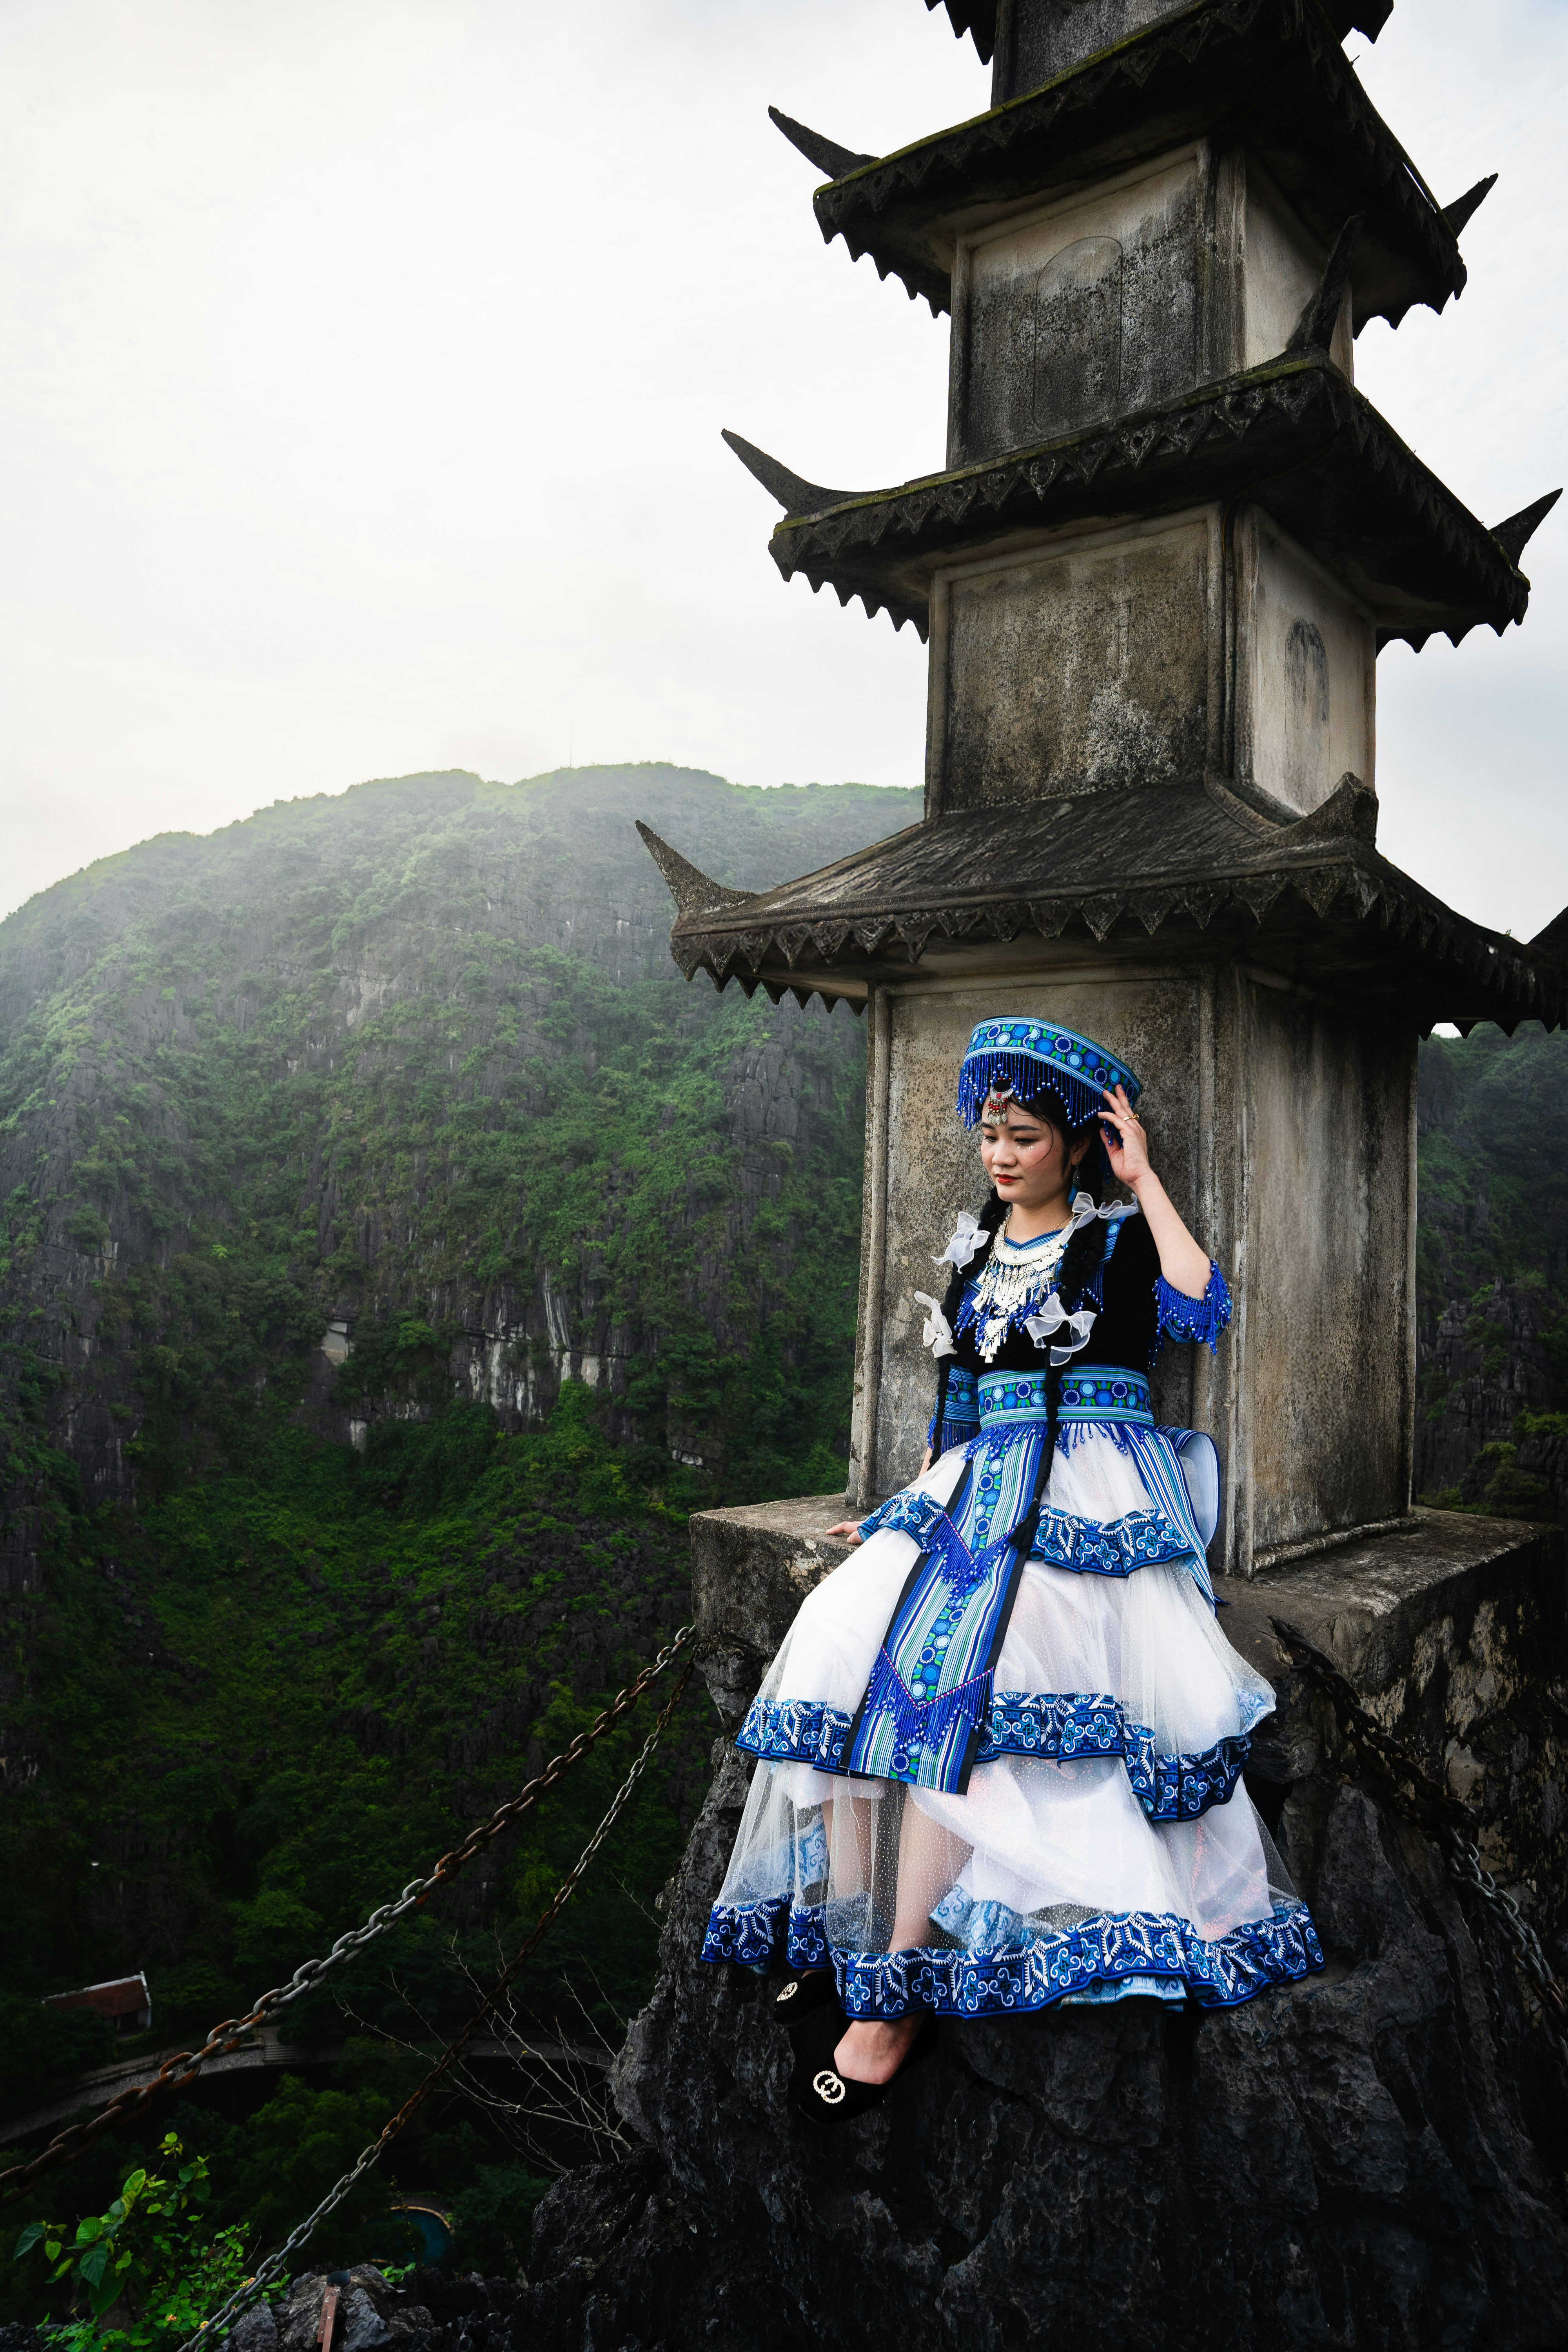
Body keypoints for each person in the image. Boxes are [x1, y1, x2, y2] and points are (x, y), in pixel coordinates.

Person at [700, 1018, 1322, 2122]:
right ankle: (855, 1940)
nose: (1000, 1154)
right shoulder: (979, 1253)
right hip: (978, 1490)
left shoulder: (1118, 1238)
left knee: (965, 1695)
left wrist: (1147, 1175)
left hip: (1086, 1498)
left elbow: (1199, 1303)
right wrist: (903, 1509)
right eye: (992, 1134)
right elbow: (958, 1411)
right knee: (840, 1643)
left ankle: (892, 2003)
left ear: (1074, 1145)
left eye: (1025, 1136)